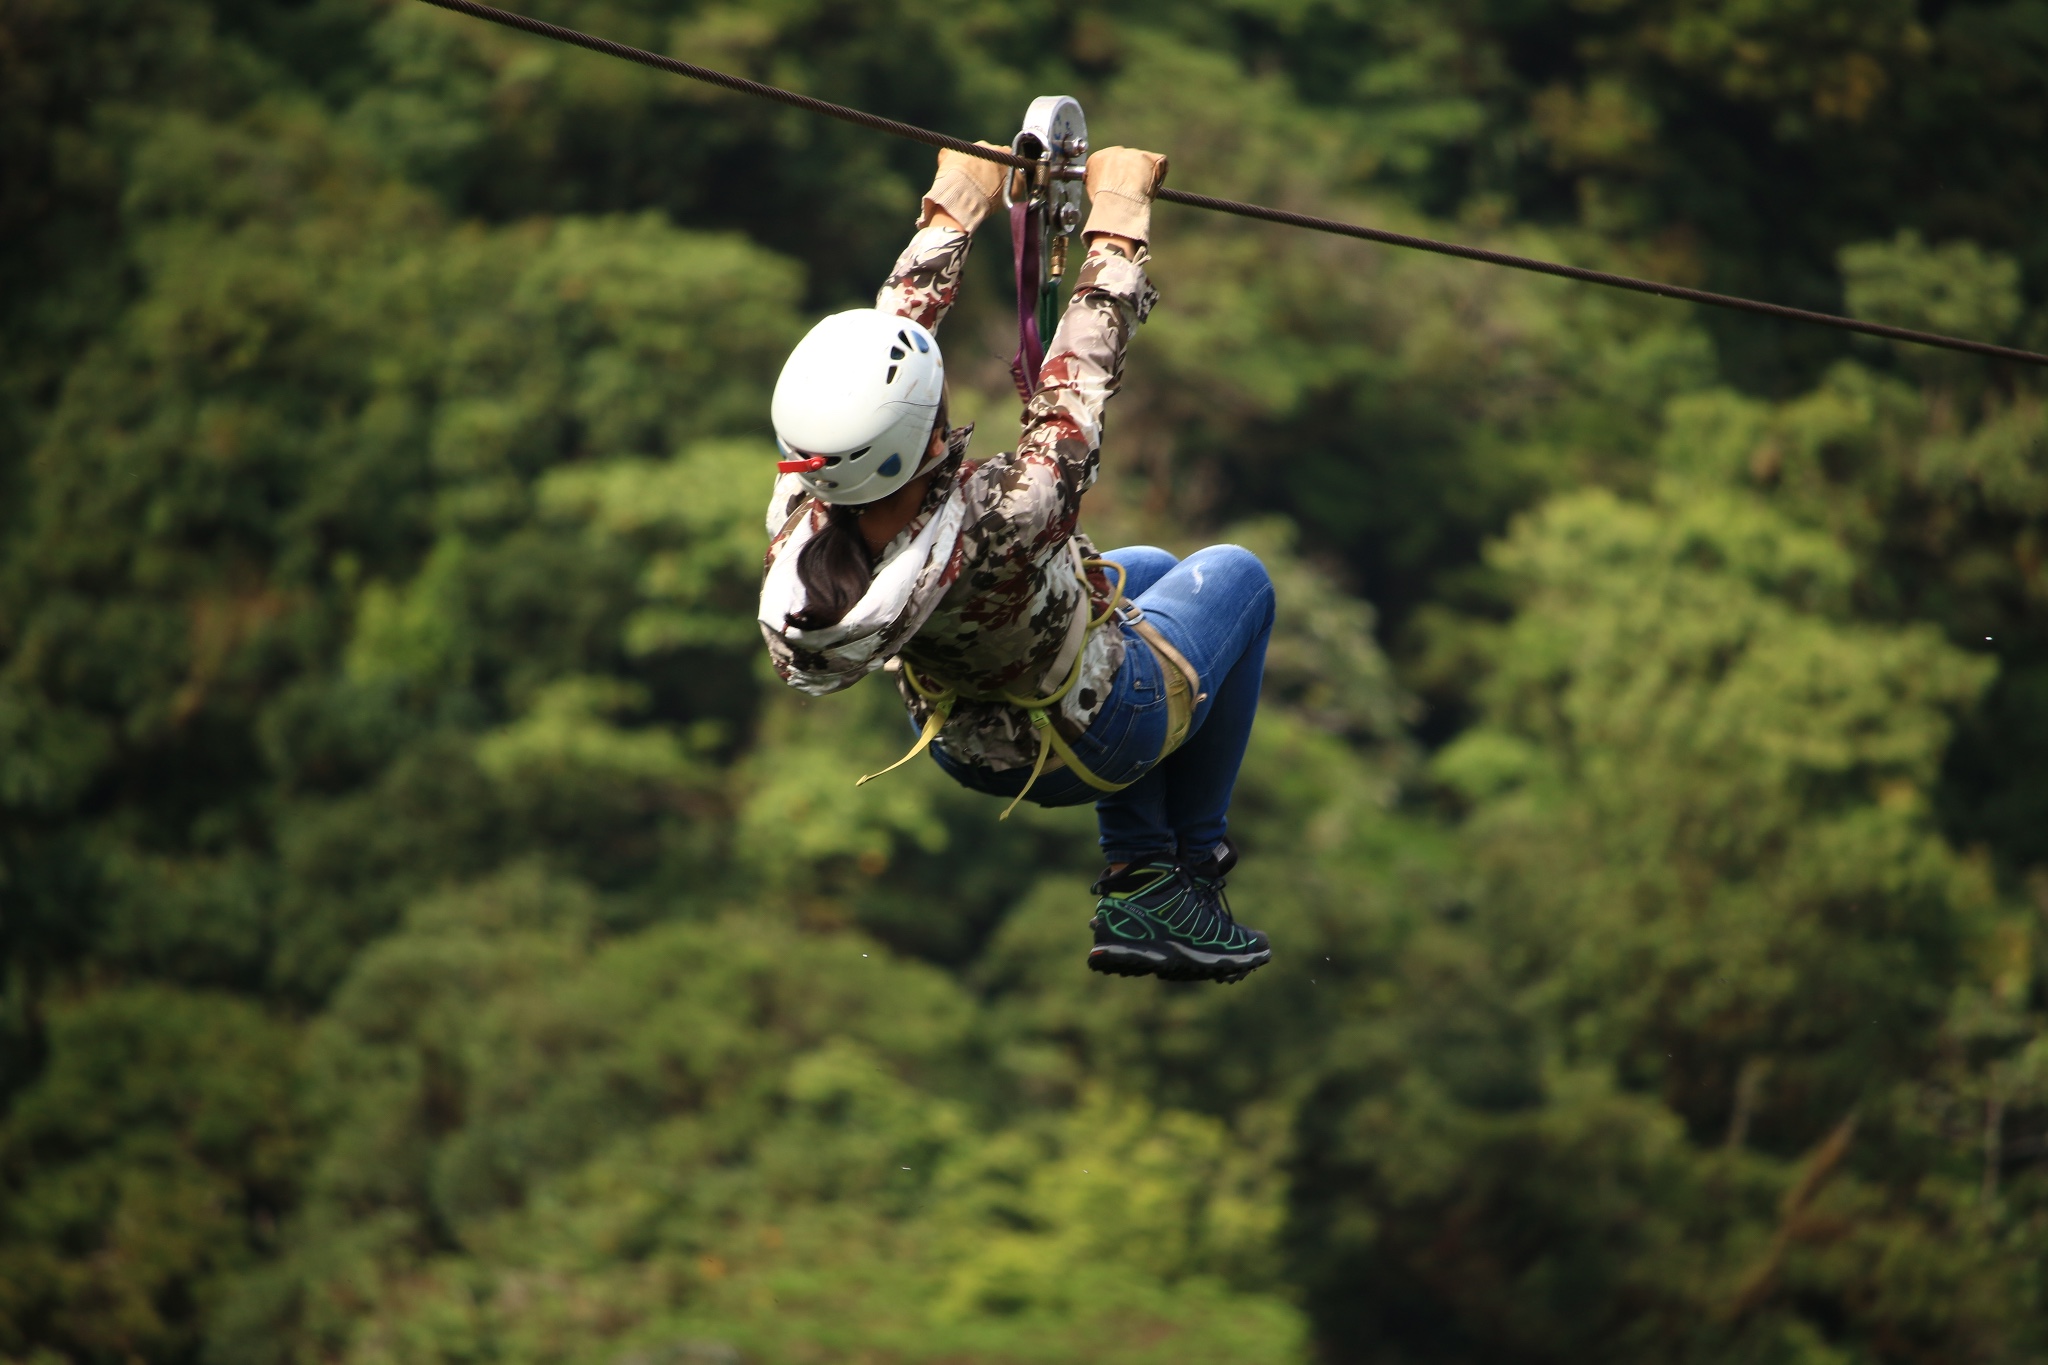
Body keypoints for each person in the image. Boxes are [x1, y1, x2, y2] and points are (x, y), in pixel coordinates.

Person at [756, 142, 1276, 984]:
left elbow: (887, 347)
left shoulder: (806, 518)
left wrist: (953, 208)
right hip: (1099, 735)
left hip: (968, 744)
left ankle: (1141, 866)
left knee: (1136, 566)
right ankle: (1180, 874)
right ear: (918, 436)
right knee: (1240, 575)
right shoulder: (1004, 520)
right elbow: (1078, 384)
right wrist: (1118, 231)